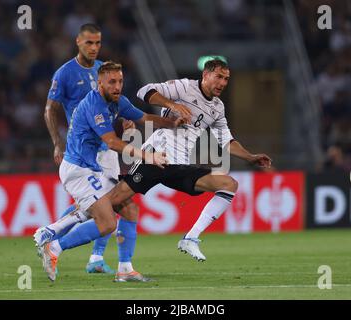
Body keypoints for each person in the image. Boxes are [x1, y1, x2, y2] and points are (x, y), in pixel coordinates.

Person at [40, 59, 271, 268]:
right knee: (110, 206)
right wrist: (172, 105)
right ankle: (55, 233)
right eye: (219, 76)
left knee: (228, 184)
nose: (223, 82)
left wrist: (250, 157)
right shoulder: (184, 87)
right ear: (206, 75)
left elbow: (226, 141)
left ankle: (190, 238)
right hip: (156, 155)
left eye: (226, 78)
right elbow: (145, 91)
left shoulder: (217, 108)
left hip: (179, 164)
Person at [39, 61, 186, 282]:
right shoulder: (93, 104)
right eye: (112, 82)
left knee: (128, 209)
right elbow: (111, 142)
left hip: (92, 168)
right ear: (99, 83)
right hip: (77, 169)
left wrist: (172, 123)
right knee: (107, 222)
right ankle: (54, 246)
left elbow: (144, 118)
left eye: (120, 81)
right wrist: (148, 156)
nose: (117, 86)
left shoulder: (119, 101)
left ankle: (125, 269)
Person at [36, 23, 139, 274]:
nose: (94, 48)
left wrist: (125, 119)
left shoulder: (104, 71)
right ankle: (54, 236)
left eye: (98, 43)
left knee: (111, 202)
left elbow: (111, 107)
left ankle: (92, 255)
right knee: (111, 204)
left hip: (107, 146)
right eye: (89, 43)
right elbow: (50, 108)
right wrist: (57, 142)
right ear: (78, 43)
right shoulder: (65, 73)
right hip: (83, 149)